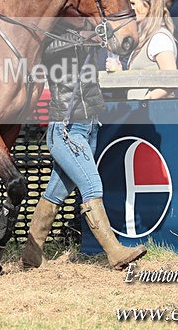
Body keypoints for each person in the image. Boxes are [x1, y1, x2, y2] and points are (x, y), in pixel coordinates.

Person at [20, 20, 146, 271]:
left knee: (55, 193)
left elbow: (119, 44)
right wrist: (87, 38)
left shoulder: (89, 27)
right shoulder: (53, 30)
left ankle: (32, 253)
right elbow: (49, 48)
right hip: (65, 129)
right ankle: (115, 252)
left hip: (88, 126)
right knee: (91, 185)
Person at [124, 0, 178, 100]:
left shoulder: (159, 38)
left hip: (154, 112)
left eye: (133, 3)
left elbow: (172, 81)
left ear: (149, 5)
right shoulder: (144, 37)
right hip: (140, 113)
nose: (129, 8)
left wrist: (147, 99)